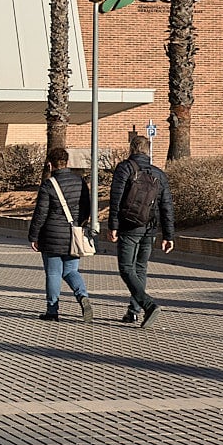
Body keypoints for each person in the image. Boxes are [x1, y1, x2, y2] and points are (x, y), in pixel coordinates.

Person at [107, 134, 175, 328]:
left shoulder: (125, 168)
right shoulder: (158, 173)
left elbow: (116, 199)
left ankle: (148, 305)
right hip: (150, 228)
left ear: (131, 149)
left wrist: (113, 225)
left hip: (130, 226)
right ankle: (134, 311)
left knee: (126, 268)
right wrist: (168, 235)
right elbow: (167, 206)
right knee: (140, 268)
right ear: (148, 150)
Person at [27, 147, 94, 322]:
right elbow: (87, 208)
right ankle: (83, 296)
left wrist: (33, 236)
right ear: (67, 162)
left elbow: (40, 213)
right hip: (74, 234)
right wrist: (81, 225)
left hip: (50, 235)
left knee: (54, 273)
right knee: (71, 270)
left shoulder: (49, 185)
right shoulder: (80, 182)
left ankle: (52, 310)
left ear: (50, 164)